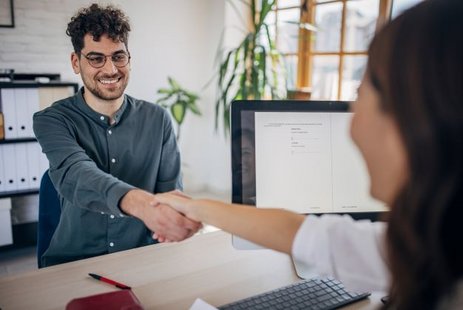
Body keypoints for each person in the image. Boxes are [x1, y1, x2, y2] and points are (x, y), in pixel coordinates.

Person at [154, 1, 463, 309]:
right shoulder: (427, 249)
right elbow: (306, 234)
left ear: (412, 121)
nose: (351, 124)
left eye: (359, 94)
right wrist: (195, 207)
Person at [33, 4, 201, 267]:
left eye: (118, 57)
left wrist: (178, 218)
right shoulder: (52, 121)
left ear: (129, 59)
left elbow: (170, 195)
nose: (110, 70)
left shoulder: (158, 119)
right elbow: (76, 172)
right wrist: (140, 204)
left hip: (143, 257)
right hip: (74, 262)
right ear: (76, 62)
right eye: (96, 58)